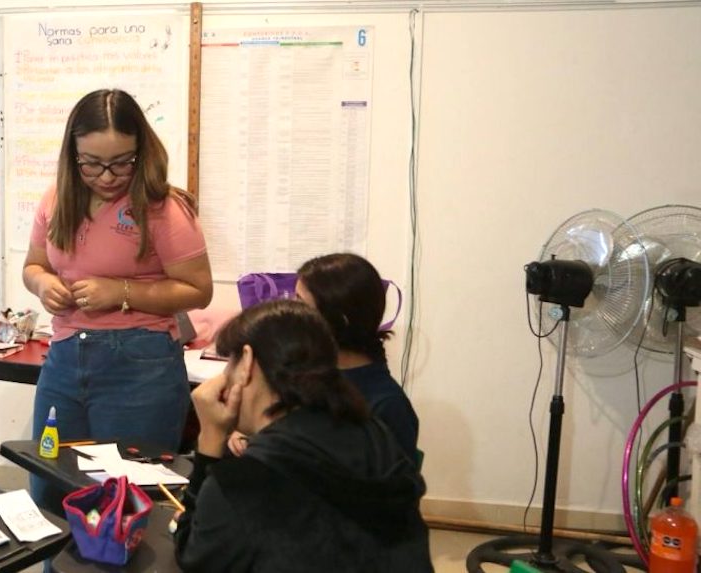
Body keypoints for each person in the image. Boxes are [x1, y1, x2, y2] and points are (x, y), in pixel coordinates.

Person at [23, 88, 212, 505]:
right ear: (72, 155)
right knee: (51, 487)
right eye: (91, 163)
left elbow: (199, 290)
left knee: (126, 500)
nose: (107, 176)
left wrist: (121, 292)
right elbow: (33, 266)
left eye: (121, 162)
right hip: (65, 358)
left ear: (141, 152)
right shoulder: (56, 199)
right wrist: (43, 284)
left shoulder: (164, 208)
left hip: (140, 365)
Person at [175, 299, 432, 572]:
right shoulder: (375, 434)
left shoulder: (245, 482)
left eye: (230, 362)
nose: (225, 375)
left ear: (247, 362)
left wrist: (210, 438)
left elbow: (195, 557)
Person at [229, 253, 420, 463]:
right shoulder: (302, 372)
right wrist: (248, 432)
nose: (290, 311)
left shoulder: (387, 406)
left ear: (337, 320)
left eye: (300, 303)